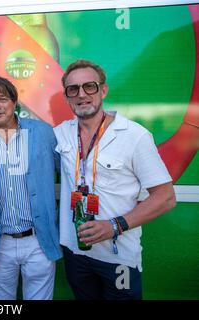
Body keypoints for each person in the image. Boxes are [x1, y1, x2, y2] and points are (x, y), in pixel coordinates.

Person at [54, 59, 176, 300]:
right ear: (67, 96)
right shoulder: (60, 133)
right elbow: (24, 138)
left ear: (103, 90)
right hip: (76, 252)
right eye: (73, 89)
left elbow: (165, 198)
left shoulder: (134, 135)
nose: (82, 95)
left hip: (118, 257)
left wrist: (113, 226)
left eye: (89, 86)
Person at [0, 76, 61, 300]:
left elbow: (67, 172)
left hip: (39, 240)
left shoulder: (43, 133)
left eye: (3, 99)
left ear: (14, 102)